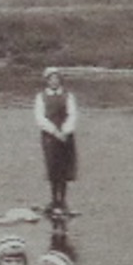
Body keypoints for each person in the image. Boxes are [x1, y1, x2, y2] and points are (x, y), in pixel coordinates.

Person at [35, 67, 80, 213]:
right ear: (47, 81)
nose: (54, 81)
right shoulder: (41, 97)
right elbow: (40, 118)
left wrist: (65, 131)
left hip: (66, 135)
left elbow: (72, 114)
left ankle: (63, 200)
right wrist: (54, 131)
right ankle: (54, 199)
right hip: (49, 136)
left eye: (56, 78)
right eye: (51, 79)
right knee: (52, 167)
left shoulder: (68, 96)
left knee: (65, 168)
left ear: (60, 80)